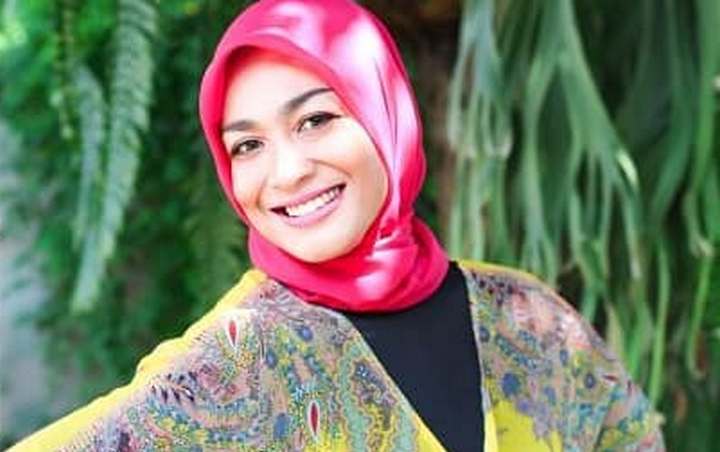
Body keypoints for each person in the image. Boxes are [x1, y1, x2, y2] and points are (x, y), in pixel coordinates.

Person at [11, 0, 664, 450]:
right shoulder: (235, 365)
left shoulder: (524, 315)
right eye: (247, 145)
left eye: (316, 120)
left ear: (386, 113)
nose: (287, 171)